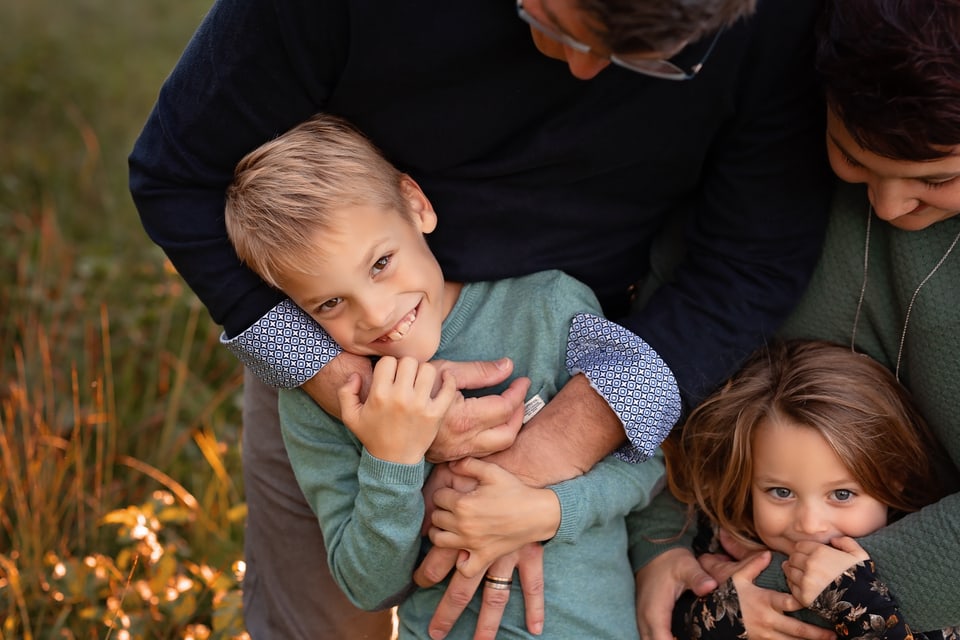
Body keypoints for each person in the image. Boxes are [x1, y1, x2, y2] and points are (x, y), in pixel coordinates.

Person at [127, 0, 833, 636]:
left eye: (647, 58)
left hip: (587, 356)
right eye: (560, 24)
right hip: (330, 355)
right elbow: (175, 173)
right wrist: (354, 396)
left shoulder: (777, 21)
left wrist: (545, 460)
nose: (585, 70)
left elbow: (755, 253)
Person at [223, 112, 669, 639]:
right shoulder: (326, 399)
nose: (375, 314)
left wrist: (549, 510)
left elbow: (650, 459)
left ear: (416, 206)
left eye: (381, 263)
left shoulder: (549, 305)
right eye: (330, 302)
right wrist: (394, 459)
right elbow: (370, 587)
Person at [632, 0, 960, 636]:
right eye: (854, 157)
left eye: (939, 175)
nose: (889, 203)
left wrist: (738, 607)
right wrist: (662, 554)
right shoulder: (766, 168)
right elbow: (657, 367)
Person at [662, 339, 951, 638]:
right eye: (781, 492)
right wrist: (719, 617)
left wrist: (857, 603)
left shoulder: (930, 569)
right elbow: (668, 615)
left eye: (842, 494)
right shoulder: (721, 540)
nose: (810, 525)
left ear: (895, 479)